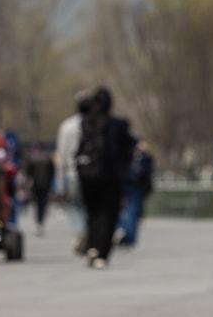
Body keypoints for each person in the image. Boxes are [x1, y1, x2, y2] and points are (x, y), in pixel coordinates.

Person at [76, 87, 135, 269]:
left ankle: (92, 246)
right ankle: (102, 252)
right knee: (109, 215)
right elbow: (128, 149)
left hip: (87, 176)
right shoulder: (117, 124)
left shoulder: (86, 122)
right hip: (111, 176)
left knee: (92, 213)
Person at [55, 90, 92, 255]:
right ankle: (87, 232)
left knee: (75, 205)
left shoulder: (67, 127)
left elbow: (61, 155)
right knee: (88, 205)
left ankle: (80, 231)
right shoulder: (96, 124)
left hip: (72, 173)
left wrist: (59, 180)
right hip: (92, 172)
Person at [116, 140, 155, 248]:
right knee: (132, 211)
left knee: (127, 210)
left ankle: (124, 231)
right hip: (136, 187)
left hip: (130, 186)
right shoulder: (145, 157)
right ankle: (128, 236)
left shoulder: (127, 155)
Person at [22, 142, 56, 237]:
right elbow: (52, 172)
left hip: (35, 185)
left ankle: (38, 221)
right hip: (45, 185)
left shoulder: (33, 160)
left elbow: (28, 173)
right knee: (42, 204)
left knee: (36, 204)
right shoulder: (48, 159)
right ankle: (40, 221)